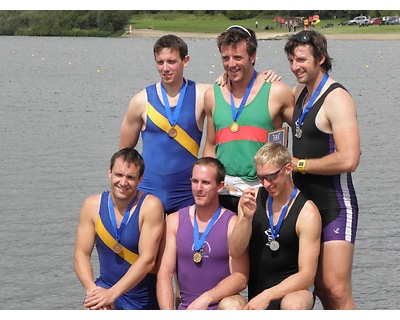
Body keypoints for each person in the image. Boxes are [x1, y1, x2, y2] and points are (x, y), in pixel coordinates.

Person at [119, 34, 279, 215]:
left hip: (188, 194)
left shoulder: (204, 94)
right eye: (160, 62)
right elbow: (124, 156)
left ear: (185, 61)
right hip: (149, 192)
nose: (165, 68)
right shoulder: (140, 100)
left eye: (171, 61)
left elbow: (235, 86)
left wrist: (260, 76)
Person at [284, 30, 361, 309]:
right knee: (319, 288)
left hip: (334, 204)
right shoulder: (298, 92)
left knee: (336, 289)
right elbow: (268, 104)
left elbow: (350, 159)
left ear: (321, 59)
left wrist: (299, 165)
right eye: (291, 60)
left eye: (301, 60)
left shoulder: (337, 98)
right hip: (304, 206)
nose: (295, 67)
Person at [202, 25, 294, 213]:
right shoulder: (213, 94)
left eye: (238, 57)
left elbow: (305, 131)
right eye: (225, 58)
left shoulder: (276, 91)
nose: (231, 64)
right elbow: (211, 145)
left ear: (252, 57)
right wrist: (207, 184)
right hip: (225, 189)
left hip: (263, 187)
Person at [228, 142, 322, 310]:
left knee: (293, 304)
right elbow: (235, 251)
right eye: (261, 178)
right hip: (257, 292)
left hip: (294, 292)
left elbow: (307, 275)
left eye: (271, 177)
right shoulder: (251, 200)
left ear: (287, 169)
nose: (266, 184)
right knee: (229, 305)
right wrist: (246, 219)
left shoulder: (308, 213)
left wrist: (268, 295)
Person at [74, 147, 164, 310]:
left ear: (140, 179)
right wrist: (92, 292)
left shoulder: (151, 206)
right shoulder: (92, 206)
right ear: (110, 172)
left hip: (141, 298)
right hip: (104, 288)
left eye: (130, 177)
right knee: (94, 310)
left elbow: (147, 260)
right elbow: (81, 254)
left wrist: (112, 294)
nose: (123, 182)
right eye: (119, 175)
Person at [156, 157, 249, 310]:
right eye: (195, 181)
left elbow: (240, 277)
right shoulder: (174, 221)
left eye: (206, 183)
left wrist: (207, 298)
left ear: (220, 186)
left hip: (219, 307)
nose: (199, 188)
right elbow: (164, 275)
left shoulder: (232, 223)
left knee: (234, 305)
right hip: (187, 309)